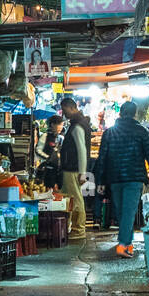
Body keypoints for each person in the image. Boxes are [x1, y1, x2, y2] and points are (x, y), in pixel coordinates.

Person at [94, 100, 149, 258]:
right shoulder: (142, 131)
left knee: (123, 212)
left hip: (115, 178)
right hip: (134, 178)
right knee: (128, 212)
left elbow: (102, 158)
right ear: (135, 113)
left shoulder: (110, 133)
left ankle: (126, 243)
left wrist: (101, 181)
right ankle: (123, 245)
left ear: (120, 113)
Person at [60, 96, 91, 240]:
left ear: (72, 108)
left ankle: (78, 229)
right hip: (72, 168)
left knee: (75, 199)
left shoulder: (78, 125)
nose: (64, 114)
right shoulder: (78, 123)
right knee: (73, 198)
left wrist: (83, 172)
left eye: (65, 110)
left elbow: (82, 150)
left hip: (73, 169)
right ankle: (74, 228)